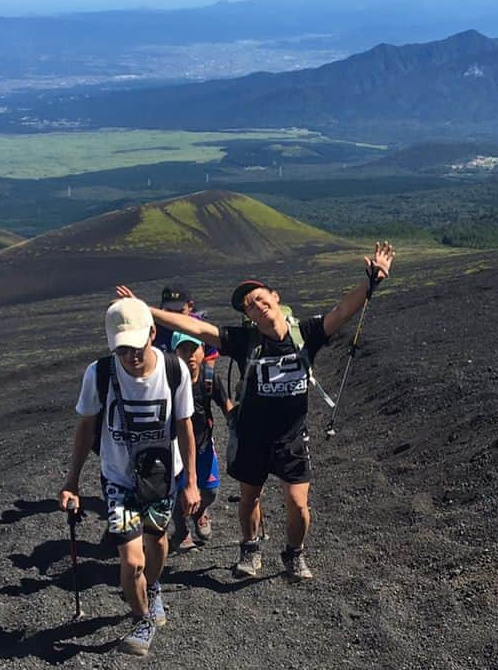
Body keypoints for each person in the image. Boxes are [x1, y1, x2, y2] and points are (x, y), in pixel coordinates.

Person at [116, 240, 395, 582]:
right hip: (251, 436)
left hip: (292, 437)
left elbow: (342, 311)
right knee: (250, 498)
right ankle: (250, 548)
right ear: (247, 316)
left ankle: (294, 554)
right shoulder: (243, 340)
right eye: (249, 305)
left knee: (298, 505)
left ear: (275, 298)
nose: (257, 305)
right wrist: (145, 311)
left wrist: (371, 281)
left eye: (261, 298)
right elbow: (198, 328)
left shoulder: (305, 334)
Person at [58, 297, 200, 656]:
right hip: (118, 479)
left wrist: (192, 482)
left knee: (157, 542)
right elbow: (86, 426)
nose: (131, 358)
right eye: (122, 350)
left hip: (163, 478)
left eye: (136, 348)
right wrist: (71, 482)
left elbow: (185, 427)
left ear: (153, 334)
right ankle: (142, 620)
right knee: (132, 559)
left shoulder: (174, 371)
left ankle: (153, 589)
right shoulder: (99, 374)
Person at [168, 329, 234, 550]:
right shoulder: (169, 382)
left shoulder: (209, 378)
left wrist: (241, 428)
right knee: (177, 491)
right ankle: (181, 531)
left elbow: (227, 406)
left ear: (203, 350)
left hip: (203, 445)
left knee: (210, 491)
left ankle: (199, 512)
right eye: (183, 350)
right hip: (176, 449)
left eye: (193, 349)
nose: (189, 355)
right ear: (174, 353)